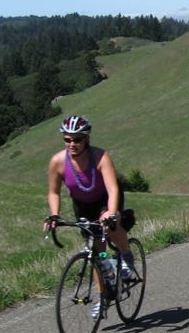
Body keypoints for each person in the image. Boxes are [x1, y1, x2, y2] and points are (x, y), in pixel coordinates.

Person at [43, 115, 137, 285]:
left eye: (77, 139)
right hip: (82, 204)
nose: (72, 144)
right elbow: (54, 192)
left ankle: (126, 255)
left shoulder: (101, 157)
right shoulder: (57, 162)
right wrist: (54, 215)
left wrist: (112, 214)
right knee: (96, 251)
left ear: (86, 138)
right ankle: (101, 294)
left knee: (108, 225)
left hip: (105, 198)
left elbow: (113, 189)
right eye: (67, 140)